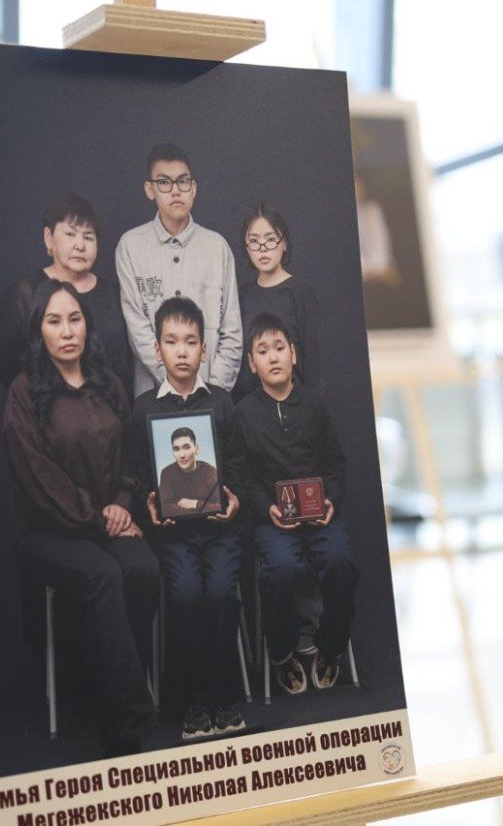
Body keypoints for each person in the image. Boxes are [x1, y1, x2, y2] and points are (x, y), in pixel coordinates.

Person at [3, 278, 157, 756]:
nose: (67, 331)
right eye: (54, 321)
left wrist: (122, 504)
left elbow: (132, 458)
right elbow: (40, 480)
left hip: (110, 517)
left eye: (75, 319)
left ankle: (113, 691)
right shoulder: (25, 392)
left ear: (87, 325)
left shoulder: (108, 383)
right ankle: (126, 721)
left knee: (144, 569)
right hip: (49, 531)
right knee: (103, 573)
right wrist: (99, 518)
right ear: (39, 331)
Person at [131, 296, 245, 740]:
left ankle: (224, 694)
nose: (182, 351)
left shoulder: (223, 403)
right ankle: (194, 698)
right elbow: (139, 475)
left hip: (220, 532)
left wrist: (234, 499)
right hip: (173, 536)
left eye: (191, 342)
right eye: (172, 341)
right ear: (157, 349)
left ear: (204, 350)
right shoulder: (144, 409)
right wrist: (149, 505)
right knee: (184, 597)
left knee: (221, 593)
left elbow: (238, 464)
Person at [227, 313, 358, 695]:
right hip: (273, 520)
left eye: (279, 348)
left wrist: (330, 500)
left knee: (341, 562)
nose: (273, 357)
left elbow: (336, 464)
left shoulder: (314, 405)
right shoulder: (243, 414)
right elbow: (241, 476)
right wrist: (265, 507)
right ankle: (283, 652)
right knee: (281, 568)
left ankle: (330, 647)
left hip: (320, 516)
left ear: (294, 354)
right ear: (251, 363)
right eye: (262, 351)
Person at [117, 143, 242, 397]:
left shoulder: (217, 247)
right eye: (164, 182)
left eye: (182, 182)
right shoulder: (130, 246)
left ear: (193, 188)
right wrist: (175, 385)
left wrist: (211, 392)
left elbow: (232, 331)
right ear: (150, 189)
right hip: (153, 396)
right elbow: (137, 330)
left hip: (211, 393)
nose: (175, 191)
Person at [0, 193, 133, 395]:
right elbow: (4, 360)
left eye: (88, 237)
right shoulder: (26, 293)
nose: (80, 245)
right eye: (70, 234)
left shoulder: (114, 293)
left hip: (110, 408)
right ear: (49, 238)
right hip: (46, 409)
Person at [234, 204, 321, 399]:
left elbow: (313, 360)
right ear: (246, 247)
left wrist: (311, 406)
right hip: (252, 404)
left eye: (271, 239)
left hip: (296, 401)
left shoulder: (301, 292)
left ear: (284, 243)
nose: (263, 249)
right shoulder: (242, 296)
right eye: (254, 241)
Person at [157, 427, 222, 517]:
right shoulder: (167, 473)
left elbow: (221, 507)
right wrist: (203, 510)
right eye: (176, 449)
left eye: (186, 447)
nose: (182, 455)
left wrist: (195, 504)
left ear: (197, 449)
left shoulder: (210, 471)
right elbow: (164, 509)